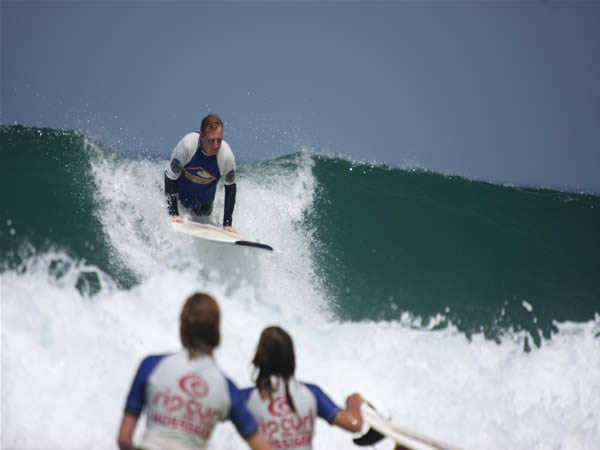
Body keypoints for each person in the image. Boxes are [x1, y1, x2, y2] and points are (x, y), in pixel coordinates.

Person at [117, 293, 271, 450]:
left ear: (183, 328)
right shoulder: (227, 388)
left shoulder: (151, 365)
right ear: (216, 334)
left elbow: (123, 439)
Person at [240, 326, 363, 450]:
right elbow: (354, 424)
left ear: (260, 358)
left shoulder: (245, 398)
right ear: (291, 358)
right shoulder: (311, 393)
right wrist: (354, 402)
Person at [165, 114, 237, 233]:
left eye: (219, 140)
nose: (215, 145)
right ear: (202, 136)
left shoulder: (226, 155)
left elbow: (230, 188)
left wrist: (227, 224)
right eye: (211, 140)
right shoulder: (188, 145)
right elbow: (170, 177)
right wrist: (173, 214)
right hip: (176, 198)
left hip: (204, 205)